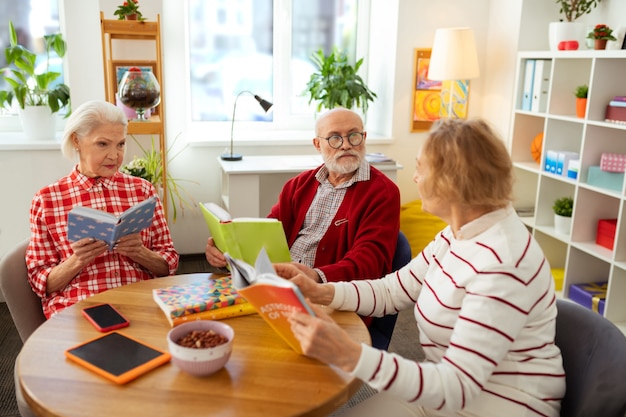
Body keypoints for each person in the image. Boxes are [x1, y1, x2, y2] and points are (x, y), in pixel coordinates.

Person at [276, 118, 566, 417]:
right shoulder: (459, 232)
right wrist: (321, 290)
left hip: (498, 404)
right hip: (441, 386)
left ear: (452, 180)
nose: (414, 178)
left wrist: (349, 354)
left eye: (420, 167)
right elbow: (392, 290)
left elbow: (458, 386)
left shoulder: (503, 263)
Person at [205, 107, 401, 345]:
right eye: (335, 138)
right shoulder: (297, 186)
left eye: (354, 135)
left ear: (364, 138)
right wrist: (227, 250)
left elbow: (369, 263)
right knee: (217, 327)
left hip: (331, 301)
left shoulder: (383, 193)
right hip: (280, 288)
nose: (346, 145)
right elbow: (266, 234)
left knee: (256, 345)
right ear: (318, 144)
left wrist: (317, 277)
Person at [26, 100, 179, 319]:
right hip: (80, 309)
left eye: (121, 144)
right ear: (76, 141)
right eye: (103, 144)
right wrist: (77, 260)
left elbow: (169, 265)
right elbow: (41, 283)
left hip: (141, 303)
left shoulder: (142, 190)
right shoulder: (47, 199)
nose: (115, 155)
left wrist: (140, 253)